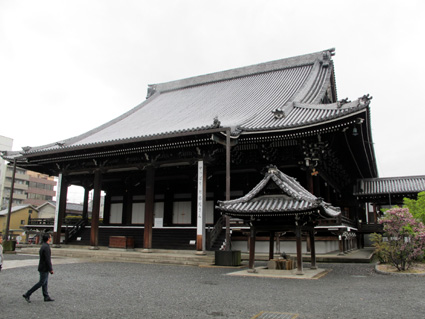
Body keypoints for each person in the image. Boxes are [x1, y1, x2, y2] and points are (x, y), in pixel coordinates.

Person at [22, 233, 54, 303]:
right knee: (41, 282)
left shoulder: (43, 246)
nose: (51, 238)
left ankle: (46, 296)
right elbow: (47, 259)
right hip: (44, 267)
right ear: (48, 238)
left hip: (42, 266)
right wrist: (50, 269)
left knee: (45, 282)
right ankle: (28, 293)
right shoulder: (46, 247)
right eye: (50, 237)